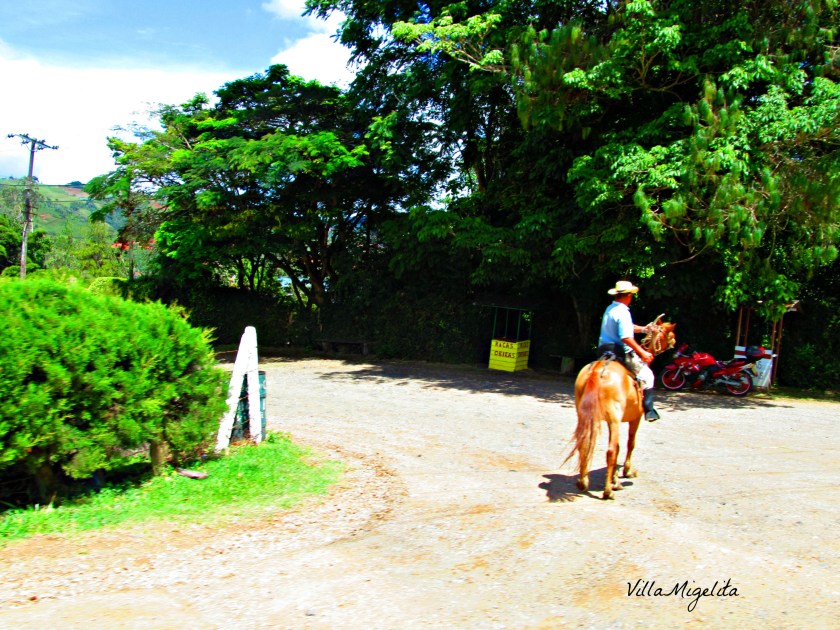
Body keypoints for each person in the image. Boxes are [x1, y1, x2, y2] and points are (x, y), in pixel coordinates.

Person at [597, 280, 660, 421]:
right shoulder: (624, 312)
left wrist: (644, 329)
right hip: (620, 352)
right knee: (648, 375)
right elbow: (625, 337)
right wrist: (642, 352)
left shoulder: (610, 308)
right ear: (628, 296)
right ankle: (649, 410)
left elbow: (627, 326)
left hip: (602, 350)